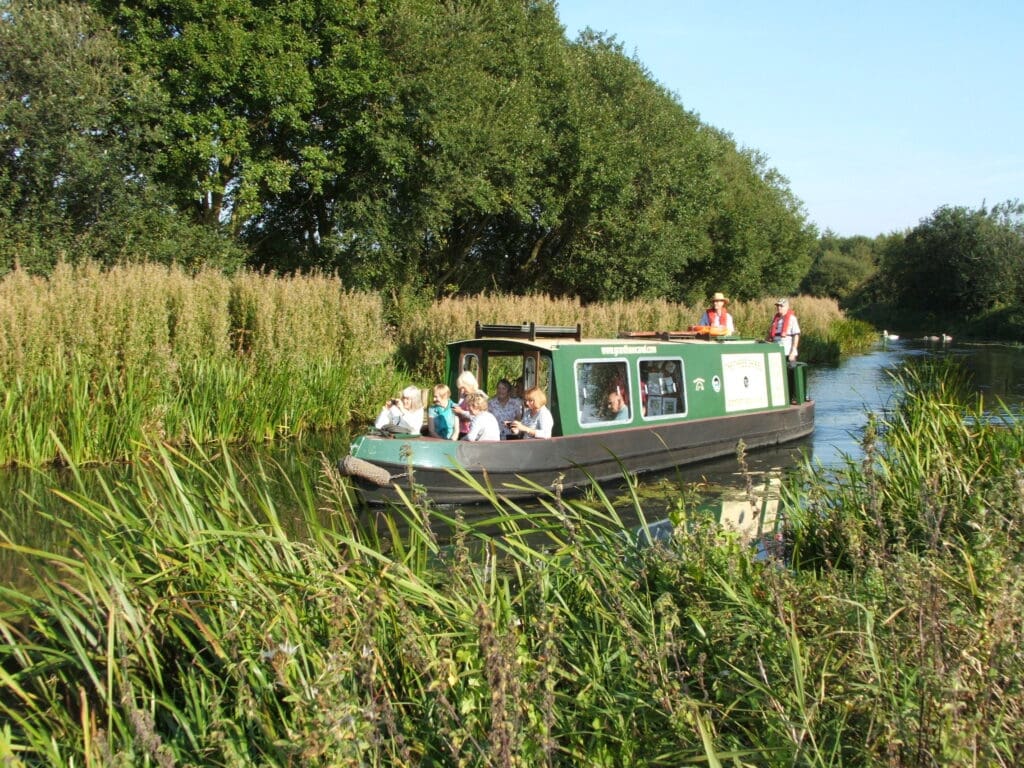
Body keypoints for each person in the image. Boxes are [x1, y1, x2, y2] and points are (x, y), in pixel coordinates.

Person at [767, 297, 800, 363]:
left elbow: (796, 335)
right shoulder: (776, 319)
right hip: (777, 351)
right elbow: (771, 335)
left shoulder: (792, 318)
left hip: (787, 352)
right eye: (778, 306)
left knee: (790, 369)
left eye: (781, 306)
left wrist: (793, 351)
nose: (779, 307)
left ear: (787, 307)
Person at [451, 371, 481, 439]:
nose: (462, 391)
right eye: (460, 388)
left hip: (471, 433)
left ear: (470, 384)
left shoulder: (478, 397)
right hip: (461, 430)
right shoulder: (464, 396)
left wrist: (461, 412)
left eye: (463, 388)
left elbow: (478, 416)